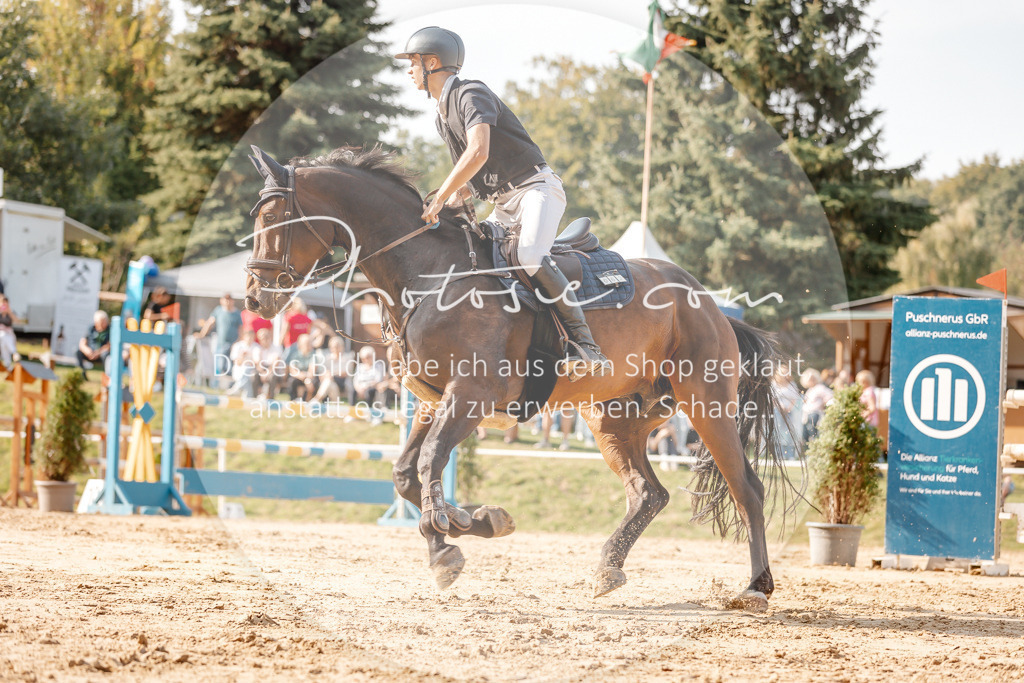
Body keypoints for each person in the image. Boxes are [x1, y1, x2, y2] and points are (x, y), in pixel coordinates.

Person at [396, 26, 608, 381]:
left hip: (536, 189)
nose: (409, 70)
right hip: (504, 202)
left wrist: (442, 195)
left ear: (432, 63)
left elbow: (479, 151)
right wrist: (444, 211)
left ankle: (585, 344)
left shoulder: (470, 93)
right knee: (473, 259)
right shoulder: (441, 115)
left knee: (527, 256)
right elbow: (466, 180)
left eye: (413, 62)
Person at [199, 293, 243, 380]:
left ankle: (229, 385)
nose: (227, 302)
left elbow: (241, 329)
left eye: (229, 300)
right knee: (219, 364)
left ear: (232, 301)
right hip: (220, 343)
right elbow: (210, 323)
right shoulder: (218, 310)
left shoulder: (237, 313)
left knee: (230, 366)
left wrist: (239, 341)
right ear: (221, 301)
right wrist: (202, 334)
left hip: (233, 344)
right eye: (225, 299)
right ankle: (217, 384)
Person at [283, 334, 322, 401]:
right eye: (306, 343)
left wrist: (307, 379)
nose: (308, 345)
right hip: (300, 377)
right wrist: (305, 379)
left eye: (309, 343)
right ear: (300, 344)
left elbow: (311, 372)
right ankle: (293, 400)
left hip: (310, 377)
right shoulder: (295, 355)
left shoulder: (314, 355)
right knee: (292, 381)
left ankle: (307, 401)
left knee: (314, 382)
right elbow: (293, 371)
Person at [800, 368, 833, 442]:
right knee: (807, 437)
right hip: (807, 415)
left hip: (814, 414)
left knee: (813, 436)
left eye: (813, 379)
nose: (811, 381)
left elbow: (830, 395)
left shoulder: (820, 388)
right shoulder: (810, 390)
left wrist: (823, 404)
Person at [77, 310, 111, 380]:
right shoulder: (91, 328)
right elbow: (82, 343)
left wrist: (98, 353)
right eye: (99, 322)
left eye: (103, 322)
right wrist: (87, 351)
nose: (101, 324)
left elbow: (109, 345)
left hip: (101, 354)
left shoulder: (110, 330)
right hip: (91, 353)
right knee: (78, 352)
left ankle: (106, 377)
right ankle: (81, 373)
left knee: (106, 355)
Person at [0, 294, 19, 366]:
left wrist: (9, 312)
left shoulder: (10, 312)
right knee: (2, 336)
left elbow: (17, 321)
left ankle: (7, 363)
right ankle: (14, 352)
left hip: (8, 335)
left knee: (4, 340)